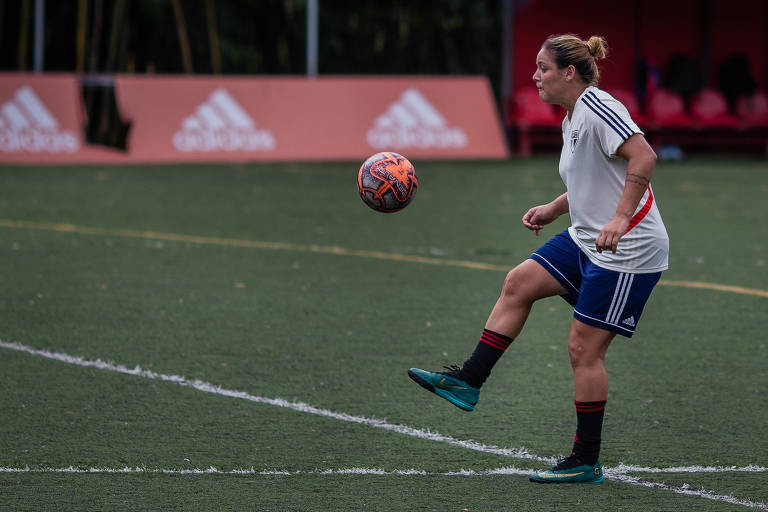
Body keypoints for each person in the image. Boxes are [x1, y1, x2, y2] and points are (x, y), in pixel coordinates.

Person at [408, 34, 669, 484]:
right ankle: (469, 381)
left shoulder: (599, 107)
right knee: (519, 283)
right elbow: (593, 179)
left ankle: (586, 460)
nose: (535, 77)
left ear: (570, 72)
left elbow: (643, 156)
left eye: (543, 68)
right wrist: (554, 208)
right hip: (588, 236)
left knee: (583, 350)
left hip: (628, 249)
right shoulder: (572, 118)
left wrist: (621, 219)